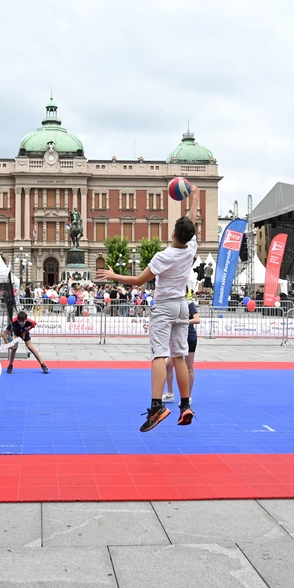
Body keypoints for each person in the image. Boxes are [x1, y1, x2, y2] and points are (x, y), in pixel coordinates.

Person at [97, 184, 199, 432]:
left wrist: (113, 274)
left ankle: (156, 407)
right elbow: (192, 221)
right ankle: (185, 405)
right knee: (179, 357)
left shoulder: (163, 257)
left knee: (159, 355)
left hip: (164, 306)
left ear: (173, 232)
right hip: (182, 306)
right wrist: (194, 196)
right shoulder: (192, 248)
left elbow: (138, 281)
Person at [163, 289, 200, 403]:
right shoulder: (171, 304)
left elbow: (197, 319)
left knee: (188, 367)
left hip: (189, 337)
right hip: (175, 337)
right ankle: (170, 393)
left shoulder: (189, 304)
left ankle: (187, 397)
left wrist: (183, 321)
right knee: (168, 365)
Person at [4, 310, 49, 375]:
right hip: (15, 334)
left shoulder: (29, 322)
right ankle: (10, 366)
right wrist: (8, 344)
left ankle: (43, 365)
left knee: (30, 347)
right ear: (18, 320)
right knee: (14, 349)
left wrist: (25, 332)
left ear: (26, 319)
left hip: (24, 332)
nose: (21, 323)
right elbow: (4, 334)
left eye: (23, 321)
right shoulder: (13, 322)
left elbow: (34, 324)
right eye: (20, 322)